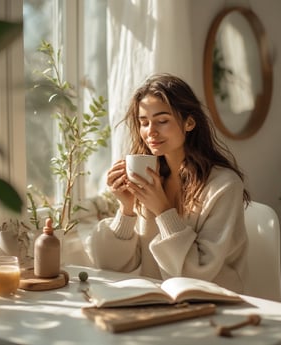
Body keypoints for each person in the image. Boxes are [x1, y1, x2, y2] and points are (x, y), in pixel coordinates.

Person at [88, 73, 250, 293]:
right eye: (143, 122)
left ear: (189, 122)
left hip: (212, 303)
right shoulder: (150, 178)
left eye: (162, 121)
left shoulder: (223, 185)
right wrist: (126, 209)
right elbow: (111, 266)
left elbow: (198, 274)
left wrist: (163, 211)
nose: (150, 131)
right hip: (158, 302)